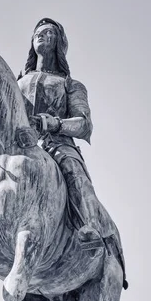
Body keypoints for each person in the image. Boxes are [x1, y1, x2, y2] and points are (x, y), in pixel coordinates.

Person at [18, 18, 103, 247]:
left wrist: (55, 124)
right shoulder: (17, 82)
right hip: (16, 144)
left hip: (57, 145)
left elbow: (84, 124)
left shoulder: (70, 85)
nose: (41, 35)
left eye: (48, 33)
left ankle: (89, 226)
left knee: (74, 172)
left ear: (58, 44)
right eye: (38, 32)